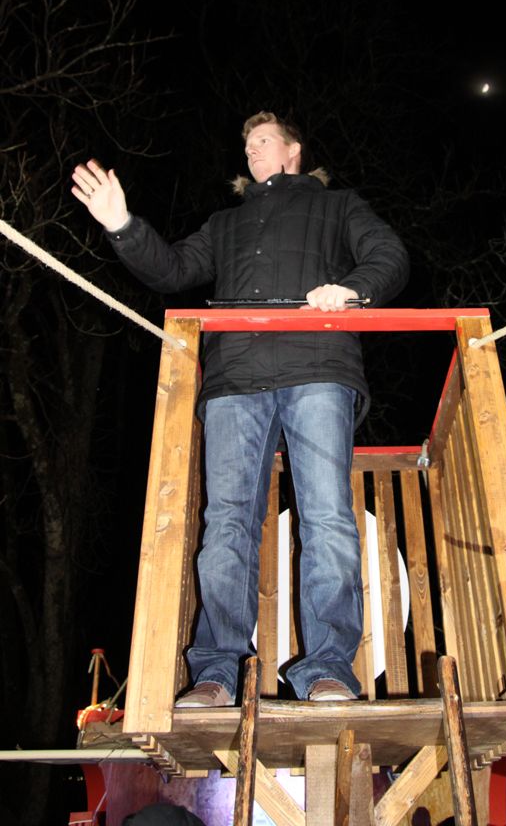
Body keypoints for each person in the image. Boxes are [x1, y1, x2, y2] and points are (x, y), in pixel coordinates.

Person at [72, 111, 409, 706]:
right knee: (225, 522)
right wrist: (122, 224)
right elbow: (174, 269)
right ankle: (216, 673)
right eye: (247, 145)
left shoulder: (337, 206)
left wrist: (353, 289)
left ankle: (329, 668)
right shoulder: (225, 223)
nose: (251, 151)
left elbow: (388, 254)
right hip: (234, 378)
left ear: (293, 150)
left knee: (327, 516)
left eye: (263, 141)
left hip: (318, 367)